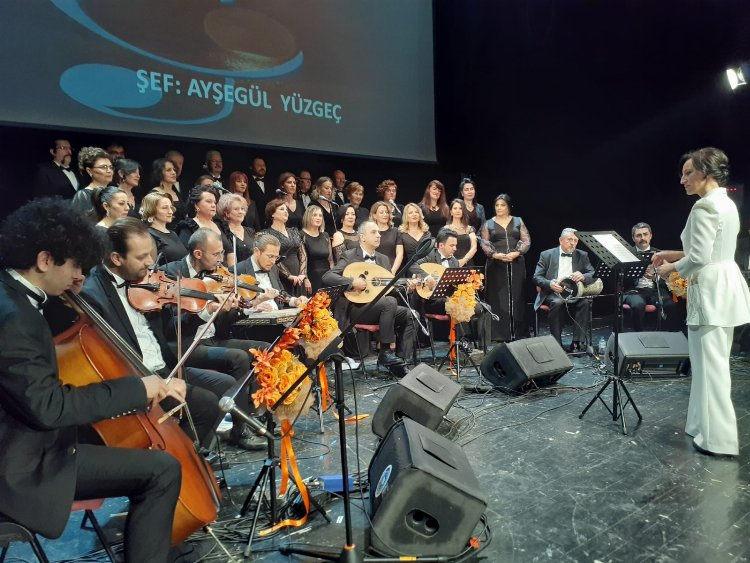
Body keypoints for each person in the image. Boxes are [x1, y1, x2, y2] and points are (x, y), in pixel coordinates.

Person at [0, 198, 184, 562]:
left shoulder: (14, 296)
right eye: (73, 265)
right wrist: (138, 388)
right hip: (22, 464)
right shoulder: (15, 318)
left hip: (29, 439)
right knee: (162, 470)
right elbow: (49, 408)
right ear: (44, 260)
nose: (77, 275)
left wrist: (66, 298)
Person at [79, 218, 226, 451]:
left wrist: (205, 312)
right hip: (140, 378)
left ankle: (190, 455)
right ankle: (179, 457)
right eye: (141, 257)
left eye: (151, 254)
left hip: (166, 367)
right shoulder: (92, 295)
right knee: (206, 404)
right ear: (116, 258)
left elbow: (168, 332)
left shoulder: (146, 284)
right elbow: (109, 360)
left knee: (217, 397)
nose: (150, 262)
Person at [653, 147, 750, 457]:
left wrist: (669, 268)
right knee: (707, 364)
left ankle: (718, 440)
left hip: (711, 291)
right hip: (724, 286)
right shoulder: (726, 202)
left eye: (688, 173)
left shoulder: (704, 206)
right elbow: (711, 249)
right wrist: (673, 254)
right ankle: (699, 426)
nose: (682, 180)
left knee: (711, 368)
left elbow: (699, 257)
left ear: (706, 173)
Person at [161, 228, 271, 449]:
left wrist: (235, 309)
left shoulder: (217, 276)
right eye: (216, 254)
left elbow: (224, 324)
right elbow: (171, 324)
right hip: (187, 343)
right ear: (198, 254)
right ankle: (240, 430)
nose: (221, 259)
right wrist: (207, 310)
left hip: (213, 338)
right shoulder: (172, 274)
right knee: (238, 358)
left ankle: (257, 414)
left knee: (264, 348)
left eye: (222, 253)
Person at [322, 221, 415, 376]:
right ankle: (385, 351)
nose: (378, 235)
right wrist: (352, 282)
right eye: (374, 232)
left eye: (379, 232)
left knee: (411, 314)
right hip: (357, 309)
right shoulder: (350, 255)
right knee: (390, 302)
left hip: (380, 308)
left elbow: (389, 288)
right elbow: (327, 276)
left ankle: (401, 364)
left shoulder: (383, 259)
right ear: (362, 237)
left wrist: (407, 287)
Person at [410, 229, 482, 339]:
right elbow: (413, 265)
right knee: (457, 304)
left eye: (456, 245)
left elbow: (458, 284)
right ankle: (461, 340)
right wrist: (427, 277)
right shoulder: (430, 256)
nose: (455, 248)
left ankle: (482, 345)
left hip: (451, 299)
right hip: (433, 301)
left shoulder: (454, 261)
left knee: (482, 308)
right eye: (452, 245)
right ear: (441, 245)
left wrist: (472, 283)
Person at [533, 228, 593, 351]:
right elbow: (536, 277)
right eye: (569, 240)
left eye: (575, 240)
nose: (573, 243)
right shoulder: (546, 255)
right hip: (553, 292)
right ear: (561, 240)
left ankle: (577, 343)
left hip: (574, 292)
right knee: (558, 302)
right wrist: (549, 283)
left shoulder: (582, 255)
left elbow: (591, 272)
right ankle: (557, 343)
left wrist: (583, 276)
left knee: (585, 302)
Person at [481, 194, 531, 341]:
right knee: (498, 298)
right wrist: (495, 255)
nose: (499, 208)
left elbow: (526, 240)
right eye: (497, 205)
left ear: (508, 206)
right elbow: (484, 243)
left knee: (517, 295)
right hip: (496, 264)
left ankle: (518, 332)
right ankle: (499, 334)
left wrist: (517, 253)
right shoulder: (488, 224)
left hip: (516, 263)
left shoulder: (518, 221)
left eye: (502, 205)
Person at [623, 222, 681, 332]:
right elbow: (621, 280)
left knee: (669, 305)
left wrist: (655, 277)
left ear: (651, 236)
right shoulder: (626, 254)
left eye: (645, 234)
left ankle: (669, 335)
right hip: (634, 291)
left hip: (655, 290)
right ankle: (639, 335)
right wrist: (638, 273)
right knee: (638, 304)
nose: (642, 238)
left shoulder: (661, 254)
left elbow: (669, 279)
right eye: (638, 235)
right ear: (633, 238)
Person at [176, 185, 235, 266]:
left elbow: (230, 252)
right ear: (196, 205)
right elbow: (187, 256)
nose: (213, 205)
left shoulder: (221, 224)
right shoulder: (188, 226)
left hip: (226, 271)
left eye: (214, 202)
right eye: (208, 201)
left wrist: (232, 271)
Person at [261, 198, 308, 295]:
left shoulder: (294, 231)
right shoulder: (267, 234)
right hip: (280, 276)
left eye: (287, 209)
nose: (286, 212)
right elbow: (272, 258)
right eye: (282, 209)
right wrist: (288, 276)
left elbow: (303, 253)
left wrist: (302, 274)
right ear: (272, 214)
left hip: (298, 276)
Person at [140, 192, 188, 263]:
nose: (171, 212)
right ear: (151, 210)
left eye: (171, 207)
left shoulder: (173, 233)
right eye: (165, 208)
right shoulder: (149, 235)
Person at [71, 147, 113, 221]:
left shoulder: (114, 193)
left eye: (110, 167)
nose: (109, 171)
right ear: (89, 171)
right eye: (104, 167)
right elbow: (77, 224)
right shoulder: (83, 195)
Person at [301, 205, 334, 293]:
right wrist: (305, 278)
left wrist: (333, 276)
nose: (318, 218)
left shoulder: (325, 235)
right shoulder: (301, 235)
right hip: (311, 278)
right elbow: (302, 261)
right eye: (315, 215)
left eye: (320, 215)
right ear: (308, 216)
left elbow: (330, 260)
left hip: (327, 277)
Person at [218, 192, 255, 263]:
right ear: (227, 213)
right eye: (236, 209)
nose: (240, 212)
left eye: (242, 209)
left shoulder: (250, 231)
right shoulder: (223, 231)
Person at [149, 157, 186, 228]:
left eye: (174, 169)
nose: (174, 172)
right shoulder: (155, 194)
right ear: (160, 173)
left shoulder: (176, 192)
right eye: (169, 170)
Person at [371, 201, 404, 275]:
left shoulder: (395, 231)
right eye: (381, 212)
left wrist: (392, 271)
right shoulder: (371, 232)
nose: (385, 215)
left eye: (387, 212)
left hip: (392, 270)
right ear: (374, 215)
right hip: (374, 271)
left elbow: (400, 253)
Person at [445, 199, 477, 266]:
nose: (458, 210)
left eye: (460, 208)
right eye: (455, 208)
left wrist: (464, 260)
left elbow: (474, 247)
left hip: (468, 263)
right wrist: (455, 261)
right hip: (451, 263)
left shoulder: (469, 229)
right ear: (451, 212)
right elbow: (444, 247)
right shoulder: (446, 229)